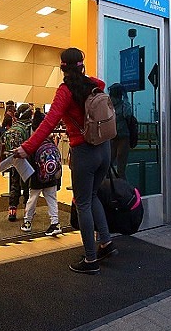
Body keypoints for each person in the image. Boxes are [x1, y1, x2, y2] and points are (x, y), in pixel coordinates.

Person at [14, 47, 116, 274]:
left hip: (84, 152)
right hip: (104, 149)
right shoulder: (93, 85)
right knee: (92, 196)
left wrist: (26, 147)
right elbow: (101, 82)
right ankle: (106, 242)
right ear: (82, 64)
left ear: (62, 68)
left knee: (83, 204)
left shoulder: (65, 91)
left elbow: (48, 123)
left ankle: (91, 260)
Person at [21, 112, 63, 236]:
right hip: (51, 178)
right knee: (52, 199)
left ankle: (27, 222)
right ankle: (55, 223)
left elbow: (27, 163)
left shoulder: (33, 143)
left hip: (36, 178)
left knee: (32, 199)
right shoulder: (50, 141)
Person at [3, 104, 34, 221]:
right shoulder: (30, 127)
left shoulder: (14, 126)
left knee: (14, 184)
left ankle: (12, 209)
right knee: (27, 185)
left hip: (14, 159)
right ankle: (27, 208)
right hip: (26, 159)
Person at [108, 83, 132, 178]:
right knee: (107, 165)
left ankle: (123, 190)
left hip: (123, 138)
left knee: (121, 169)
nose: (111, 98)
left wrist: (126, 98)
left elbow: (128, 114)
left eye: (112, 96)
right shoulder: (109, 106)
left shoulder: (124, 106)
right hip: (112, 138)